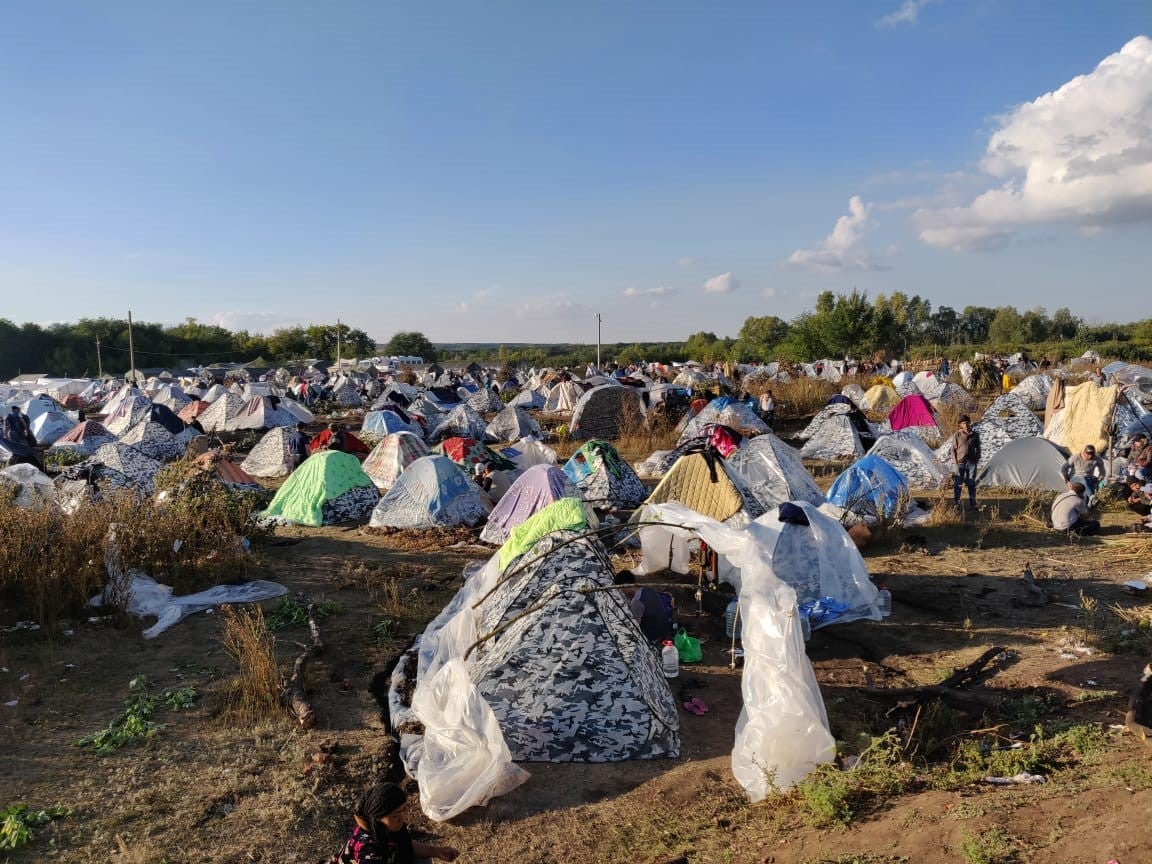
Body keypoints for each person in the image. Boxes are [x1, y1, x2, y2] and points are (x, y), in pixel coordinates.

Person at [329, 781, 457, 864]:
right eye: (395, 815)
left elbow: (405, 844)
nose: (403, 818)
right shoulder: (368, 850)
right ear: (378, 818)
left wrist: (437, 851)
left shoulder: (385, 827)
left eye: (403, 810)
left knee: (423, 860)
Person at [614, 570, 674, 644]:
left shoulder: (637, 602)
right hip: (664, 629)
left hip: (653, 637)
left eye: (621, 588)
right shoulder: (648, 589)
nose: (621, 591)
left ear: (626, 585)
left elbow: (635, 627)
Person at [950, 415, 981, 510]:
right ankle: (957, 504)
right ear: (960, 425)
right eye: (963, 423)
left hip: (971, 463)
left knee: (971, 484)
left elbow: (978, 448)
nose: (966, 425)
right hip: (959, 463)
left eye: (967, 422)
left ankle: (973, 504)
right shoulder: (957, 435)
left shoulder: (975, 435)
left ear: (969, 422)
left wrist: (976, 459)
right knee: (957, 484)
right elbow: (953, 449)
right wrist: (955, 462)